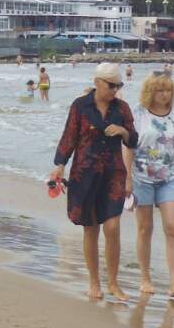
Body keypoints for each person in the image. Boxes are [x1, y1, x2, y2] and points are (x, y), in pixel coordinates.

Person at [48, 62, 138, 301]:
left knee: (113, 227)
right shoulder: (80, 106)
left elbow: (133, 141)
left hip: (113, 176)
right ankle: (94, 282)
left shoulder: (122, 109)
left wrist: (122, 131)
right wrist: (59, 165)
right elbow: (69, 137)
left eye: (118, 85)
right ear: (98, 82)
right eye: (111, 85)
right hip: (84, 175)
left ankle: (114, 283)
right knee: (91, 229)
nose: (115, 90)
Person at [124, 72, 174, 298]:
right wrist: (126, 177)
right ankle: (145, 278)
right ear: (150, 91)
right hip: (141, 178)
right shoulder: (138, 114)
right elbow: (128, 148)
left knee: (172, 227)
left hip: (169, 178)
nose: (164, 95)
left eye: (168, 90)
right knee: (145, 228)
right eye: (160, 90)